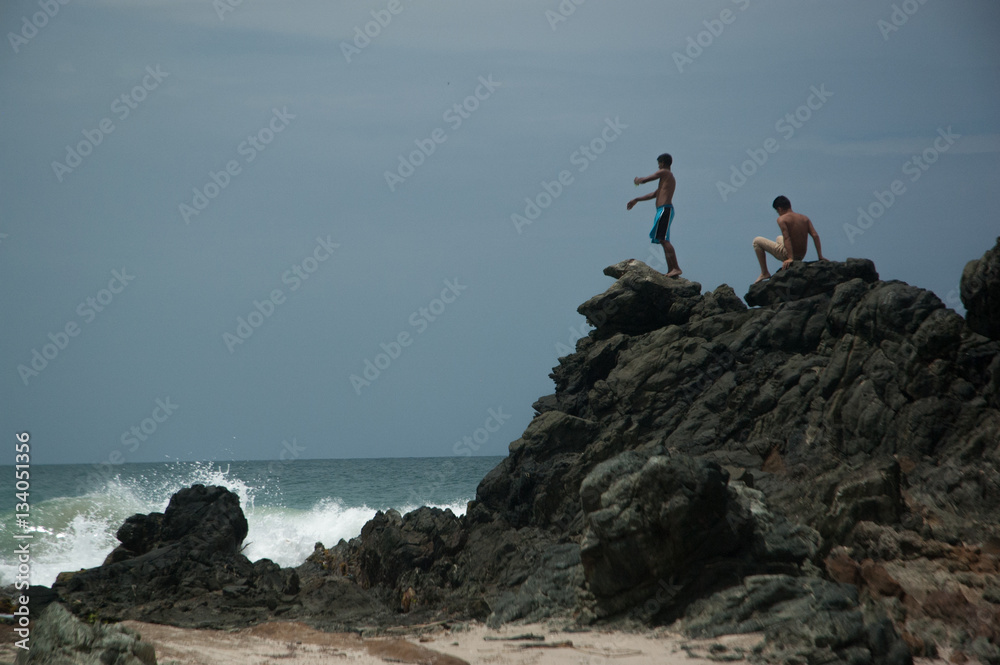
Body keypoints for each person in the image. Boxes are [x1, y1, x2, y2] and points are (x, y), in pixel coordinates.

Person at [628, 153, 681, 277]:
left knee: (664, 240)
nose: (658, 167)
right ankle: (671, 270)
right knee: (663, 240)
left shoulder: (666, 173)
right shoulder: (665, 180)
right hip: (662, 211)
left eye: (659, 164)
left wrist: (638, 180)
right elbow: (653, 194)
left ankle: (676, 268)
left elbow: (646, 179)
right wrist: (637, 199)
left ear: (662, 163)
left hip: (665, 210)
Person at [752, 195, 825, 283]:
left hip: (789, 255)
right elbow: (815, 235)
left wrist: (790, 258)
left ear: (779, 209)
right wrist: (820, 256)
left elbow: (787, 238)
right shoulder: (804, 218)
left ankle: (764, 272)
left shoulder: (782, 219)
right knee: (779, 238)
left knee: (757, 241)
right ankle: (792, 256)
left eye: (777, 211)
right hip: (801, 255)